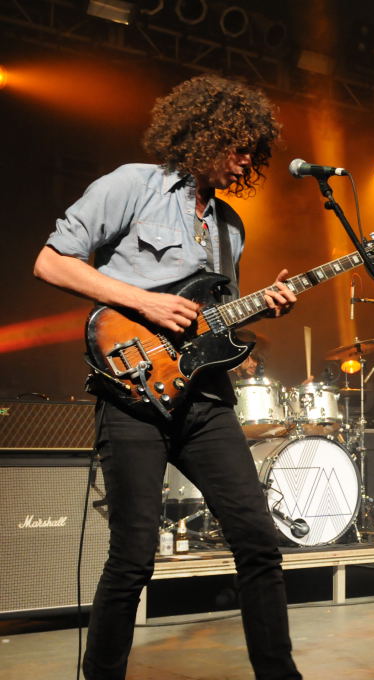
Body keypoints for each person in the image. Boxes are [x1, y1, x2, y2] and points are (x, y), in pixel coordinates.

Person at [33, 74, 302, 680]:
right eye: (239, 148)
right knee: (132, 557)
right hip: (131, 393)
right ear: (205, 134)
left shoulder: (230, 227)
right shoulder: (133, 185)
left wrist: (265, 306)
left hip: (204, 400)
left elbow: (210, 320)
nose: (246, 163)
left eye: (254, 154)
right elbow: (51, 262)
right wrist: (145, 302)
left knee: (259, 543)